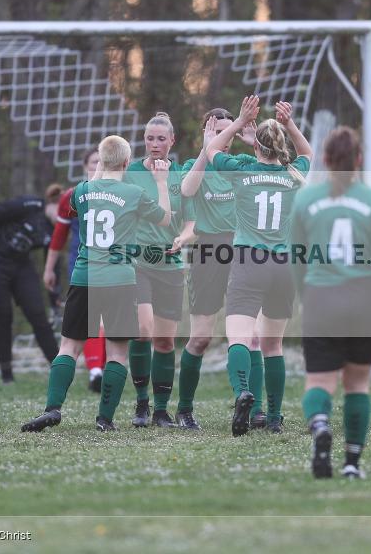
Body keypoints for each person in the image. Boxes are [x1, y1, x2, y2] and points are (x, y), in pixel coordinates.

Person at [21, 135, 172, 433]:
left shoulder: (81, 191)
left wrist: (102, 167)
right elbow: (165, 220)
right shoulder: (134, 193)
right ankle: (105, 418)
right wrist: (162, 182)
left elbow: (90, 192)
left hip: (84, 277)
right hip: (120, 280)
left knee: (68, 347)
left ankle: (52, 408)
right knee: (117, 353)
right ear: (127, 163)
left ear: (100, 162)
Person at [290, 126, 371, 479]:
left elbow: (297, 257)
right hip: (365, 300)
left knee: (319, 383)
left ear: (324, 159)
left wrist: (305, 296)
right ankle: (352, 463)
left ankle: (321, 425)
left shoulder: (305, 199)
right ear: (359, 159)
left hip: (322, 297)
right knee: (357, 385)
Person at [204, 95, 312, 436]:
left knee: (238, 338)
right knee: (272, 346)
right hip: (283, 266)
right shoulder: (294, 174)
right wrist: (289, 124)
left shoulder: (243, 170)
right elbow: (308, 153)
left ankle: (243, 392)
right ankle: (275, 417)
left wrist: (238, 122)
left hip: (250, 261)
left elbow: (212, 150)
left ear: (256, 147)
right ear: (281, 146)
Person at [178, 108, 269, 430]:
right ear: (206, 132)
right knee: (201, 338)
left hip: (244, 249)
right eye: (219, 131)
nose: (226, 137)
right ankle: (184, 409)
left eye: (232, 130)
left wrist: (255, 142)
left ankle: (254, 408)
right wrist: (207, 150)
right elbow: (187, 190)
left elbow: (271, 173)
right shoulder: (195, 165)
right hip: (208, 252)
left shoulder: (241, 164)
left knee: (251, 336)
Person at [124, 112, 197, 428]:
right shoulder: (130, 173)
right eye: (149, 138)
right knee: (143, 331)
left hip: (170, 266)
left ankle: (161, 410)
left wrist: (184, 237)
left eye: (161, 139)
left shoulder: (181, 177)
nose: (154, 144)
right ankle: (141, 404)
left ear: (172, 141)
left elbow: (192, 222)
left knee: (165, 342)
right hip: (138, 264)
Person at [0, 187, 63, 383]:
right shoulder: (30, 205)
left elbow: (53, 262)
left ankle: (60, 370)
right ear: (53, 203)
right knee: (3, 314)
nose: (63, 217)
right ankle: (6, 374)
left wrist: (54, 295)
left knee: (38, 314)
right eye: (62, 211)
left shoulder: (56, 230)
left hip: (20, 264)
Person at [44, 148, 106, 392]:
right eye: (94, 162)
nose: (98, 165)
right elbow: (58, 237)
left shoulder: (122, 194)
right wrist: (49, 269)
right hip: (82, 265)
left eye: (102, 161)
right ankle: (96, 371)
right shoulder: (73, 196)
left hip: (115, 264)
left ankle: (100, 370)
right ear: (84, 166)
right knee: (90, 320)